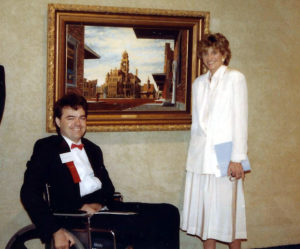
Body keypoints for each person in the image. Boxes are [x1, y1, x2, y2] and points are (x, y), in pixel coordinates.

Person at [20, 93, 179, 249]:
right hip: (77, 217)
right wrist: (55, 230)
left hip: (103, 209)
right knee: (146, 225)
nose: (78, 123)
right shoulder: (46, 148)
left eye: (82, 117)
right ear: (57, 121)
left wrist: (96, 205)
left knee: (169, 212)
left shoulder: (93, 149)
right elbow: (29, 193)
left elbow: (108, 189)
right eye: (70, 118)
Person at [181, 33, 249, 249]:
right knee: (205, 216)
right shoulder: (198, 83)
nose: (209, 57)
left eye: (214, 52)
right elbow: (196, 125)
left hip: (225, 155)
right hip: (200, 157)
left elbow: (240, 120)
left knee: (228, 216)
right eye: (206, 53)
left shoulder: (235, 78)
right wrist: (193, 158)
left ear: (224, 54)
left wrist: (237, 159)